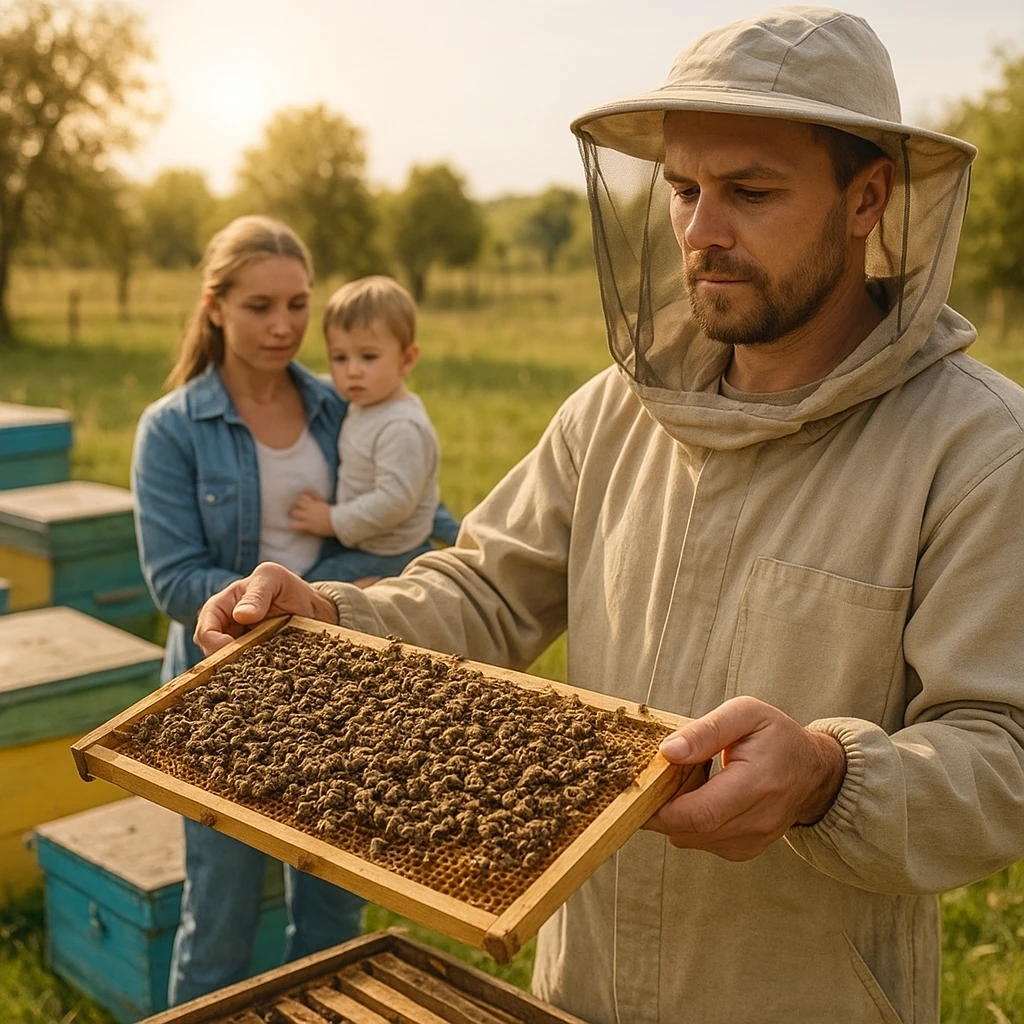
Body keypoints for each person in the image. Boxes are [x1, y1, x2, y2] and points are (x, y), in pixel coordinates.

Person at [192, 10, 1024, 1024]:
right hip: (578, 985)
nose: (699, 230)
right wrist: (333, 618)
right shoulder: (613, 408)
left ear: (867, 200)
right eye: (683, 190)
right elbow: (489, 586)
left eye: (750, 192)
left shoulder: (977, 448)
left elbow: (1001, 751)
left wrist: (827, 774)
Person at [131, 215, 459, 1004]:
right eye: (258, 306)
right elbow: (176, 583)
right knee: (220, 915)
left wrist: (458, 564)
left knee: (331, 912)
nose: (284, 327)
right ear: (214, 307)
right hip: (225, 693)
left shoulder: (343, 399)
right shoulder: (171, 430)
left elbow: (425, 521)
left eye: (298, 305)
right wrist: (280, 604)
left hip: (339, 682)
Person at [289, 276, 441, 566]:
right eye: (340, 358)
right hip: (365, 543)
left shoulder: (400, 426)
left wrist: (331, 520)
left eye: (368, 357)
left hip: (389, 555)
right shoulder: (370, 403)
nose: (353, 371)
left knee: (311, 592)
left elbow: (394, 501)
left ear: (407, 360)